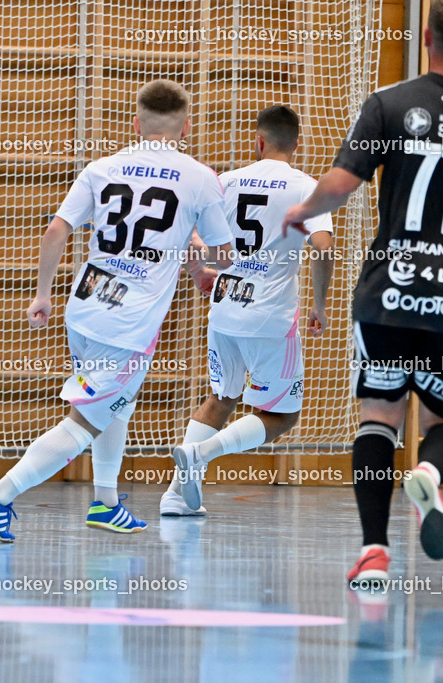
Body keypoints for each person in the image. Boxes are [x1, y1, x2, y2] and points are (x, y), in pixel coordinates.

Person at [0, 79, 234, 542]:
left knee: (116, 404)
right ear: (187, 127)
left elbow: (56, 230)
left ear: (135, 124)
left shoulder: (102, 167)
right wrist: (193, 252)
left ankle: (106, 503)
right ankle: (0, 494)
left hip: (85, 305)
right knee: (89, 418)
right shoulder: (200, 177)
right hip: (128, 323)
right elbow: (224, 256)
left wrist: (42, 295)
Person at [283, 0, 443, 585]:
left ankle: (374, 551)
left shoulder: (389, 103)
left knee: (378, 416)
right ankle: (432, 473)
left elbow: (341, 184)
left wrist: (303, 210)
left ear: (426, 36)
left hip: (388, 292)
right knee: (439, 421)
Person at [163, 105, 335, 516]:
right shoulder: (306, 187)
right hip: (271, 318)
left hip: (225, 309)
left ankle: (175, 496)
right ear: (296, 143)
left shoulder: (225, 182)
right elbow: (324, 248)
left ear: (258, 141)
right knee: (282, 415)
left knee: (221, 397)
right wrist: (319, 304)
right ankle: (202, 453)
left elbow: (188, 237)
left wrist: (200, 273)